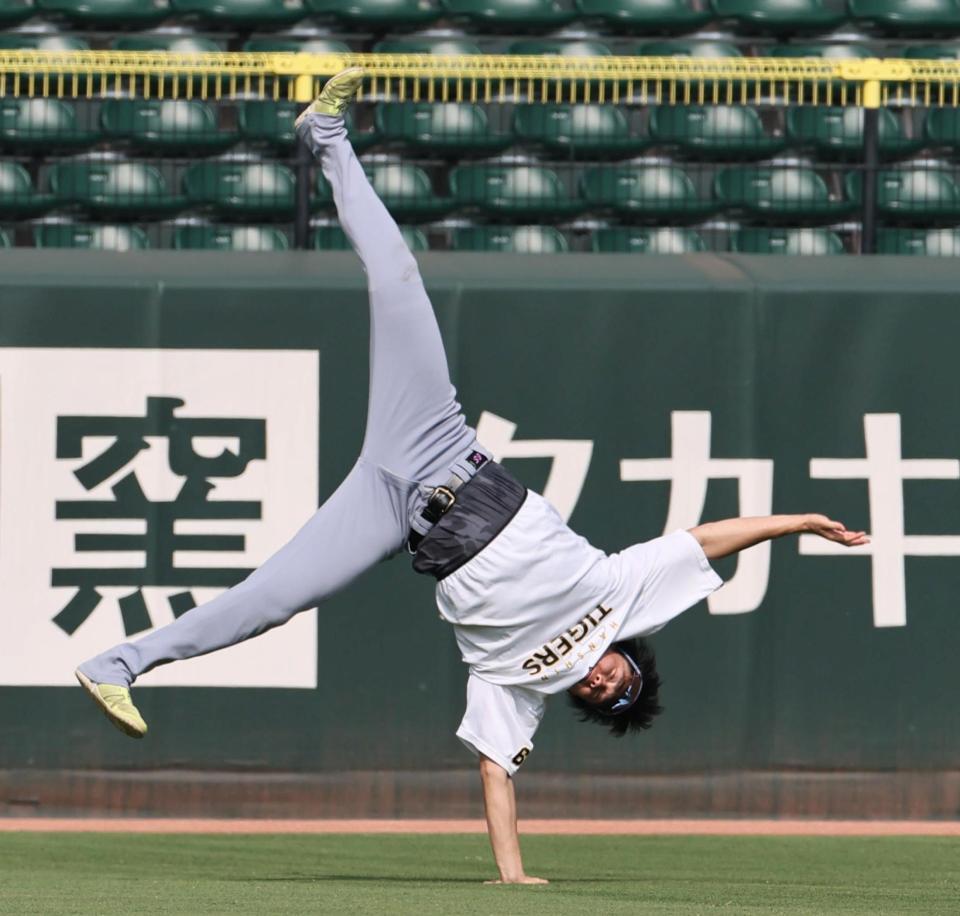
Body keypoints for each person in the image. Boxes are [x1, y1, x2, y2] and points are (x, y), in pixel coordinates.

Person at [75, 68, 869, 884]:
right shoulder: (623, 595)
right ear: (630, 658)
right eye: (619, 678)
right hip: (438, 442)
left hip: (396, 515)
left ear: (584, 704)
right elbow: (708, 540)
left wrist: (512, 874)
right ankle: (327, 137)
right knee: (399, 280)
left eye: (602, 698)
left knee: (270, 601)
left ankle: (118, 664)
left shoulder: (519, 685)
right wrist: (798, 522)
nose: (602, 680)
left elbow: (497, 773)